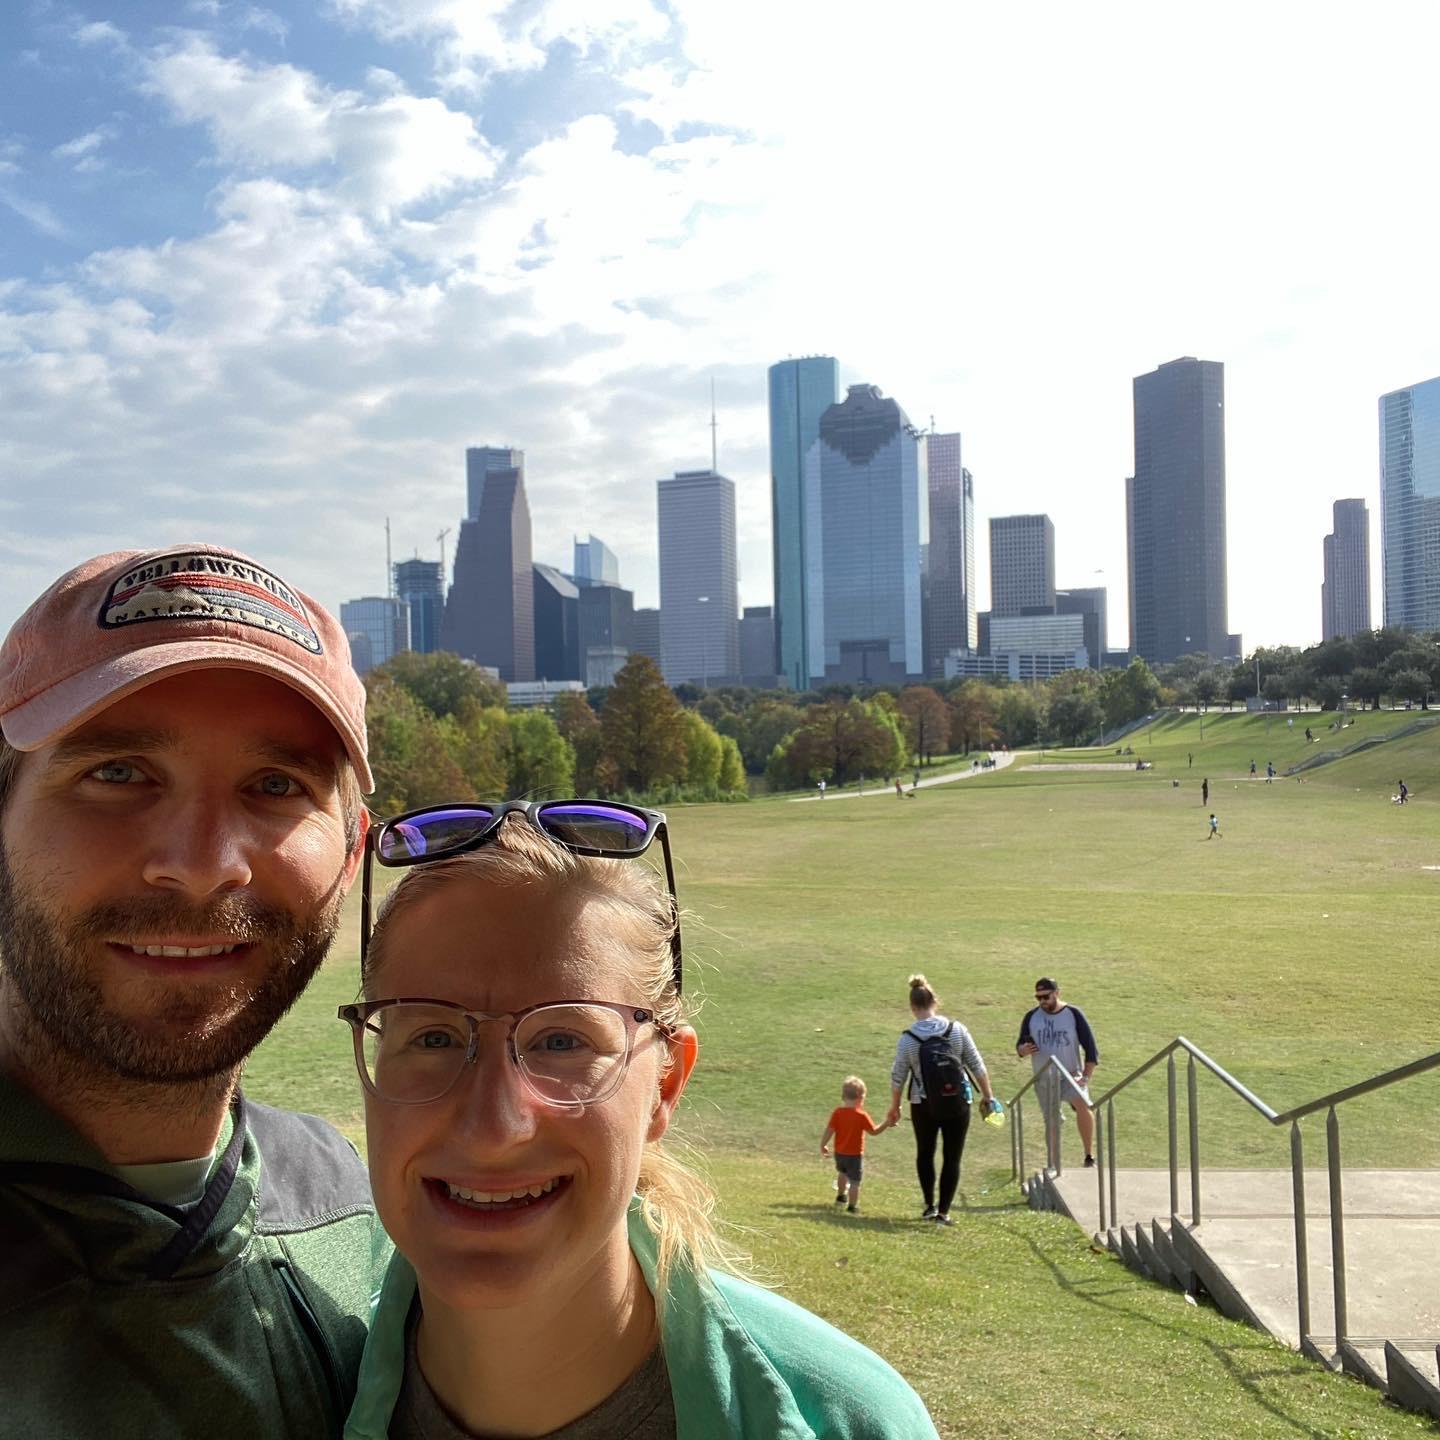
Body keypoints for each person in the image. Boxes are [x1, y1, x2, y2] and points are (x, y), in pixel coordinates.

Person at [343, 806, 938, 1439]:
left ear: (665, 1086)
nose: (493, 1128)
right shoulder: (295, 1381)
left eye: (562, 1042)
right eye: (432, 1038)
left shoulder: (851, 1421)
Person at [0, 544, 383, 1436]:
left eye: (277, 786)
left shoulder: (356, 1214)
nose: (204, 867)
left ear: (352, 852)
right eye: (118, 774)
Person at [885, 973, 996, 1227]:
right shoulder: (957, 1030)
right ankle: (944, 1212)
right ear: (935, 1001)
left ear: (913, 1007)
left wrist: (895, 1106)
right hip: (958, 1102)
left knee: (925, 1153)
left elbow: (898, 1076)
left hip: (922, 1104)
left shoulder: (908, 1039)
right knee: (952, 1156)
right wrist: (988, 1096)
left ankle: (928, 1205)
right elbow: (976, 1064)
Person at [1016, 978, 1099, 1169]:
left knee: (1083, 1104)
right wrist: (1024, 1049)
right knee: (1052, 1120)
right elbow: (1019, 1047)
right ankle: (1053, 1163)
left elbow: (1091, 1050)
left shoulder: (1073, 1014)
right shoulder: (1031, 1017)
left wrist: (1085, 1077)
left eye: (1046, 996)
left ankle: (1089, 1156)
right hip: (1044, 1078)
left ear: (1057, 993)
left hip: (1070, 1074)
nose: (1042, 1001)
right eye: (1038, 997)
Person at [821, 1075, 891, 1213]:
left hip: (839, 1153)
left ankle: (841, 1197)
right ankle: (852, 1206)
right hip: (855, 1155)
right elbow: (874, 1131)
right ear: (860, 1098)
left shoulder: (838, 1112)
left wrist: (823, 1144)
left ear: (843, 1096)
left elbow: (830, 1129)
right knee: (855, 1182)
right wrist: (887, 1123)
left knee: (842, 1173)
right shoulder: (861, 1115)